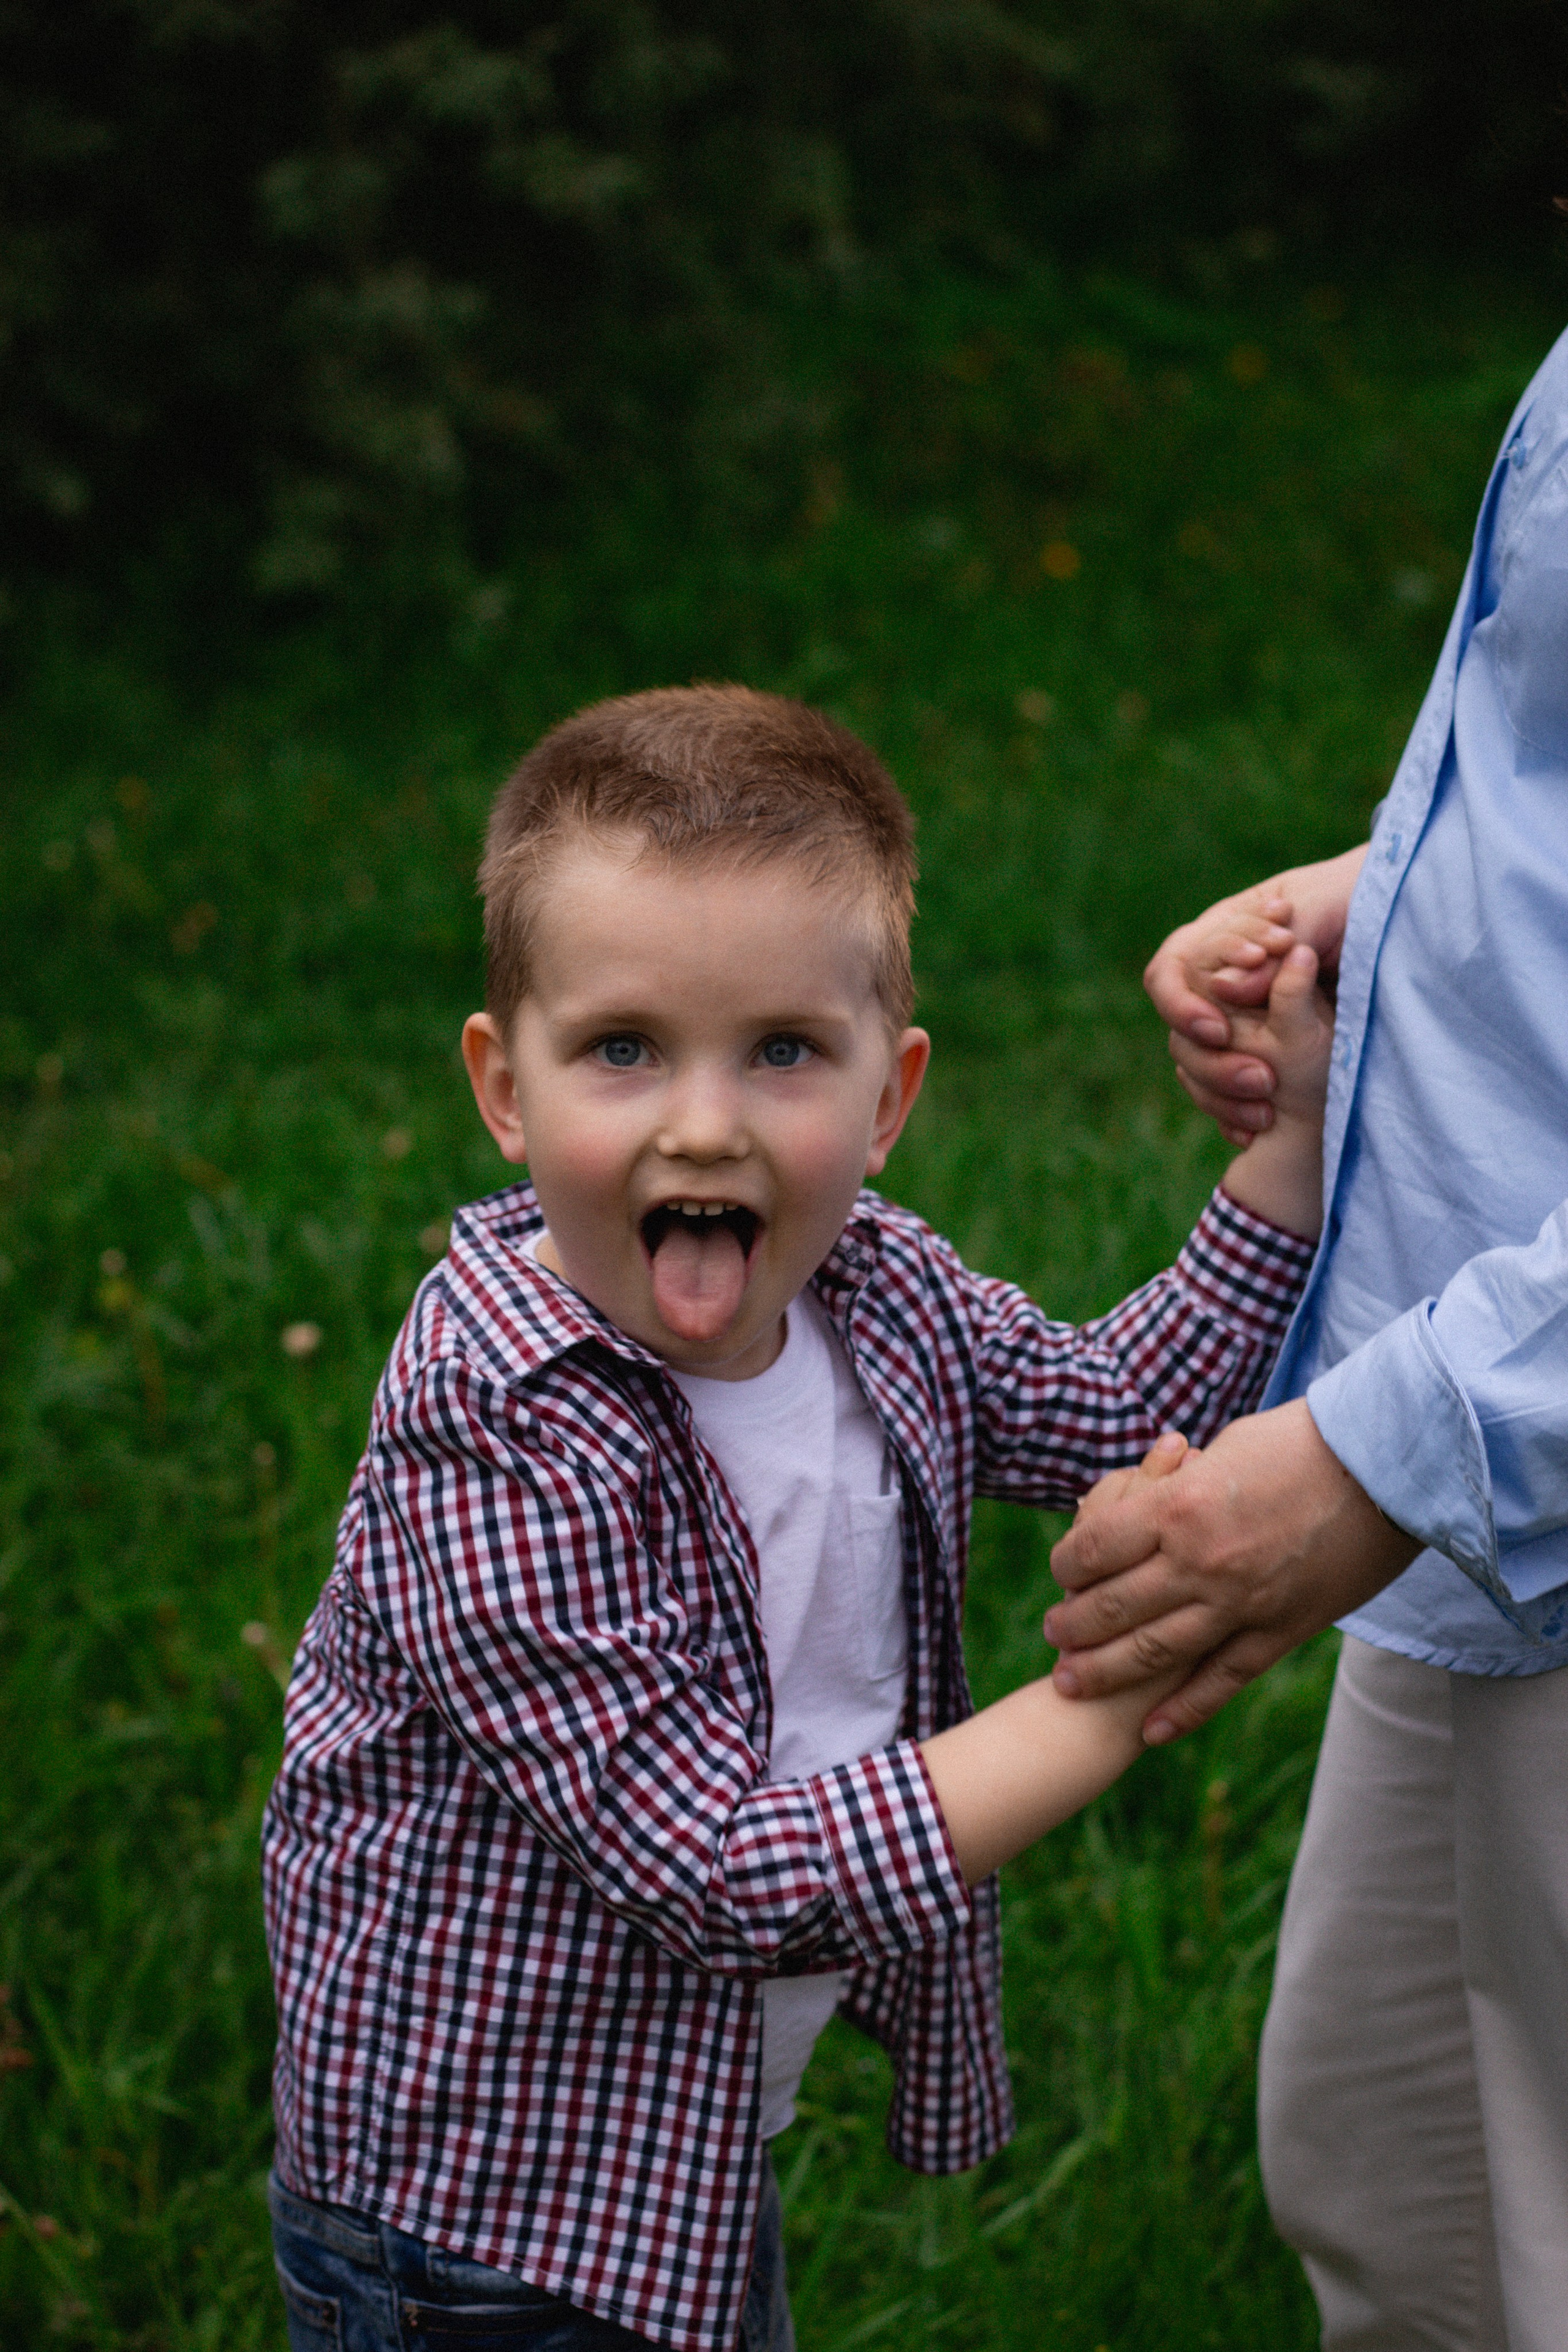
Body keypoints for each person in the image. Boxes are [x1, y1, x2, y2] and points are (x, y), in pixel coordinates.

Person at [260, 684, 1332, 2352]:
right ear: (502, 1086)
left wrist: (1292, 1152)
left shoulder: (874, 1290)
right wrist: (1117, 1692)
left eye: (781, 1051)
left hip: (676, 2147)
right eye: (623, 1049)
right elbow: (710, 1870)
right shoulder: (500, 1421)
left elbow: (1117, 1408)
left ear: (889, 1095)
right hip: (479, 2215)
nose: (705, 1123)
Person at [1044, 326, 1568, 2352]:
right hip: (1473, 1497)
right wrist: (1380, 898)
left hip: (1483, 1432)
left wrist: (1377, 1459)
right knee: (1385, 2168)